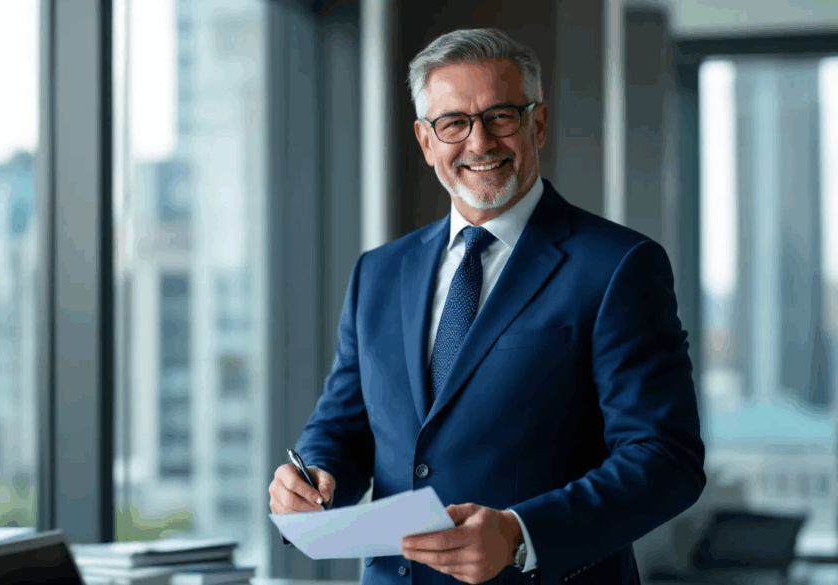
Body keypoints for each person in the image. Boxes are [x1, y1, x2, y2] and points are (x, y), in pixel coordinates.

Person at [267, 27, 705, 585]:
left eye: (500, 116)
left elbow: (666, 459)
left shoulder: (618, 266)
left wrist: (523, 534)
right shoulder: (378, 273)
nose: (478, 144)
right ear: (426, 142)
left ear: (537, 124)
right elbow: (345, 427)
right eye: (453, 123)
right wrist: (310, 480)